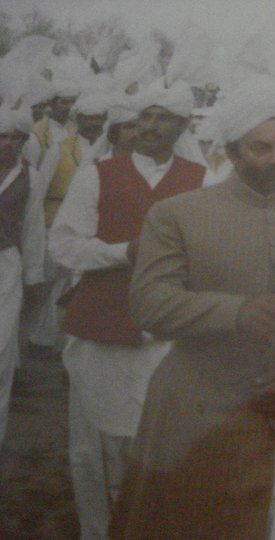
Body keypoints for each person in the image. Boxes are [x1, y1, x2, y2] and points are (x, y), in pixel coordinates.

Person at [109, 74, 275, 540]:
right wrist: (233, 311)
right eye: (262, 149)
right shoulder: (177, 214)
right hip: (200, 416)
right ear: (231, 152)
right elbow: (149, 304)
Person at [48, 81, 205, 539]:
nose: (151, 127)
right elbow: (65, 246)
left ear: (182, 125)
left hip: (169, 333)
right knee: (94, 443)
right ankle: (97, 530)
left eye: (163, 118)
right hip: (102, 323)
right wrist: (122, 253)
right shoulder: (99, 173)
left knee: (156, 441)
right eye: (144, 117)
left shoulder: (201, 181)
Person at [25, 93, 109, 359]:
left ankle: (68, 340)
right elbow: (39, 193)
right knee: (53, 282)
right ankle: (42, 338)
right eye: (88, 118)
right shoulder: (58, 149)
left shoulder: (109, 151)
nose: (93, 124)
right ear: (78, 119)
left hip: (93, 225)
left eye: (98, 118)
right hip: (57, 219)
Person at [0, 106, 38, 447]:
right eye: (2, 136)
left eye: (15, 137)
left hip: (6, 264)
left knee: (2, 345)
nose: (8, 143)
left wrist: (32, 275)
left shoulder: (30, 175)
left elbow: (33, 227)